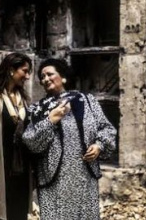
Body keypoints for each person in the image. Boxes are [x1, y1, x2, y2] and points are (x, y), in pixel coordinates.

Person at [22, 58, 116, 220]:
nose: (45, 79)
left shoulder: (87, 101)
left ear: (63, 77)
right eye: (42, 77)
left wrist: (99, 145)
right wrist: (51, 120)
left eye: (49, 74)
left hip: (84, 176)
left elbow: (107, 129)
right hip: (54, 179)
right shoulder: (38, 109)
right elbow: (30, 141)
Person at [0, 52, 33, 220]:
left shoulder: (24, 100)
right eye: (24, 71)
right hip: (2, 168)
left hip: (22, 169)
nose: (28, 76)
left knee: (19, 213)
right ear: (11, 70)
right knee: (0, 215)